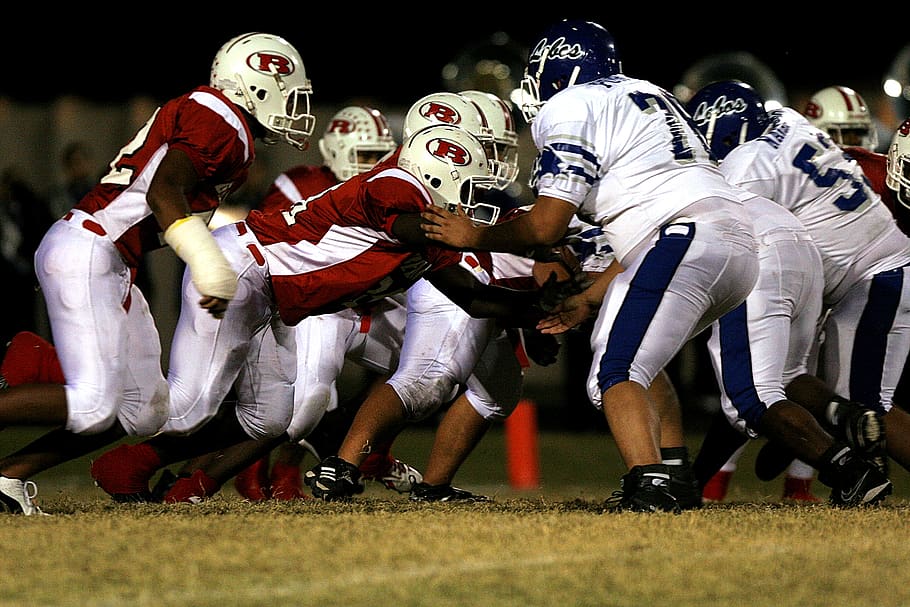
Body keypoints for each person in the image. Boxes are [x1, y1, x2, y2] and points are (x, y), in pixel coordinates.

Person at [89, 123, 574, 503]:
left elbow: (471, 297)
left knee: (271, 420)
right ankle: (47, 375)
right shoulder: (394, 186)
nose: (470, 202)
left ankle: (178, 486)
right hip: (243, 269)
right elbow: (403, 226)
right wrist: (459, 236)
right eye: (465, 186)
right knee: (190, 403)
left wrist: (541, 311)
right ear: (434, 175)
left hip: (276, 297)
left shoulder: (428, 228)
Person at [421, 19, 763, 513]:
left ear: (557, 72)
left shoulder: (572, 104)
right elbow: (638, 231)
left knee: (614, 370)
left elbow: (545, 226)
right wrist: (585, 299)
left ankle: (650, 484)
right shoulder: (648, 93)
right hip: (731, 243)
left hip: (681, 236)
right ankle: (675, 476)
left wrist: (474, 235)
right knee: (640, 360)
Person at [0, 32, 316, 515]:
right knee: (93, 403)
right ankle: (25, 375)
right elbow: (164, 191)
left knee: (142, 407)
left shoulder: (222, 122)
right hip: (92, 246)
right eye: (287, 89)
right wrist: (208, 263)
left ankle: (9, 476)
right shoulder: (221, 117)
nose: (294, 105)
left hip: (109, 257)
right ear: (253, 85)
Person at [685, 80, 910, 498]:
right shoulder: (790, 125)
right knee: (790, 383)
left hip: (869, 276)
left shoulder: (745, 164)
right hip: (845, 274)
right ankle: (838, 444)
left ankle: (849, 467)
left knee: (859, 401)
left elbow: (727, 235)